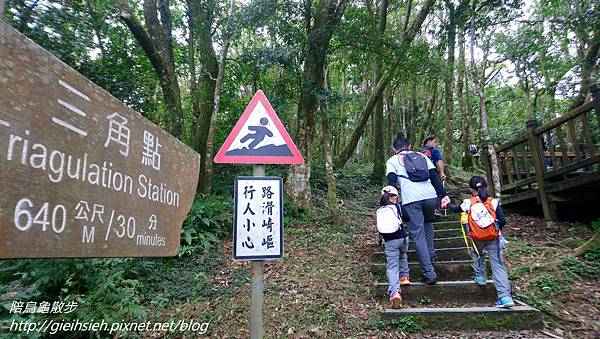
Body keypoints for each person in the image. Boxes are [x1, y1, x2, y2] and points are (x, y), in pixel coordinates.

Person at [386, 137, 450, 285]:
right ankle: (431, 255)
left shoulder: (392, 161)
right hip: (430, 197)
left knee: (418, 235)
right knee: (428, 225)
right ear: (409, 146)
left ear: (394, 149)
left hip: (412, 199)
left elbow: (392, 183)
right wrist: (443, 195)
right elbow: (434, 177)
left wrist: (390, 202)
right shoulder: (422, 156)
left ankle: (429, 273)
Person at [447, 176, 515, 308]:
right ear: (486, 187)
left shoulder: (469, 202)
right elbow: (502, 220)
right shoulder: (493, 202)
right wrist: (496, 231)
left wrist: (447, 203)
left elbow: (455, 209)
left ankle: (480, 276)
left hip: (477, 237)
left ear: (471, 190)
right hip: (493, 237)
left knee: (477, 253)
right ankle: (505, 297)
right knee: (498, 265)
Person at [376, 186, 410, 309]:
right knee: (403, 255)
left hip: (389, 241)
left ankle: (395, 292)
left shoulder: (380, 209)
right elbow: (407, 219)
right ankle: (405, 276)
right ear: (395, 196)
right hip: (402, 238)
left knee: (392, 266)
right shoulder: (398, 207)